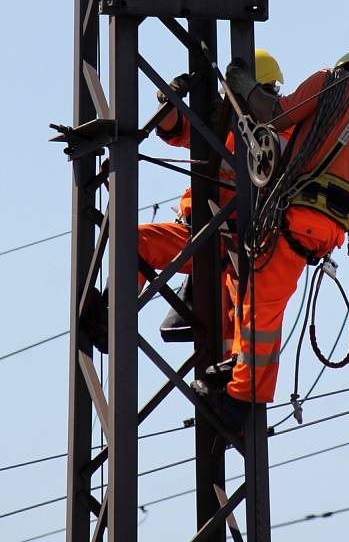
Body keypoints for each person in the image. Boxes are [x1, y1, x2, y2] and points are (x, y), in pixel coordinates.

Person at [217, 49, 349, 410]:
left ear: (346, 67)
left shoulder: (329, 83)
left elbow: (278, 116)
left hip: (297, 216)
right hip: (329, 231)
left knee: (261, 305)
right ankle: (237, 368)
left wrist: (247, 88)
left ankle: (243, 394)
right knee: (252, 291)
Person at [81, 50, 286, 355]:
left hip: (239, 246)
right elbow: (175, 128)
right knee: (137, 242)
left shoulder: (279, 139)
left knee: (233, 318)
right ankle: (113, 317)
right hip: (197, 235)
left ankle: (231, 383)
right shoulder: (221, 128)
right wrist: (170, 103)